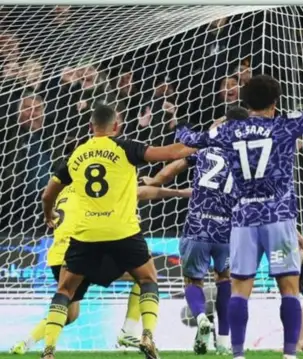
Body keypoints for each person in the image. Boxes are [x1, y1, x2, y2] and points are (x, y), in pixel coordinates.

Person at [176, 35, 303, 359]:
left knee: (239, 288)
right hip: (278, 216)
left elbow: (193, 139)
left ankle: (236, 354)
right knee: (288, 288)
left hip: (243, 217)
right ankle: (289, 355)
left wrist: (180, 127)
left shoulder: (228, 130)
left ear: (246, 103)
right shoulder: (284, 126)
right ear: (275, 101)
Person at [40, 103, 196, 359]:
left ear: (91, 128)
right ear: (117, 126)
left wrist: (49, 214)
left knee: (65, 291)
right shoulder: (125, 148)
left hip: (86, 234)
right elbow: (169, 153)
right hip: (123, 232)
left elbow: (48, 195)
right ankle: (146, 334)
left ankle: (48, 351)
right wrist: (202, 142)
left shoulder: (76, 156)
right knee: (147, 280)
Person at [10, 183, 190, 354]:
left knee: (69, 313)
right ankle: (128, 331)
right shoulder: (95, 190)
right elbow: (135, 193)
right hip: (84, 250)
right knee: (145, 276)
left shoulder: (63, 192)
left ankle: (25, 343)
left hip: (57, 256)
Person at [141, 106, 249, 354]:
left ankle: (201, 318)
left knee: (193, 279)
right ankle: (223, 341)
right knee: (224, 278)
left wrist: (153, 181)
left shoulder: (205, 145)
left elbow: (172, 169)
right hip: (229, 226)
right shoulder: (247, 153)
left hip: (199, 223)